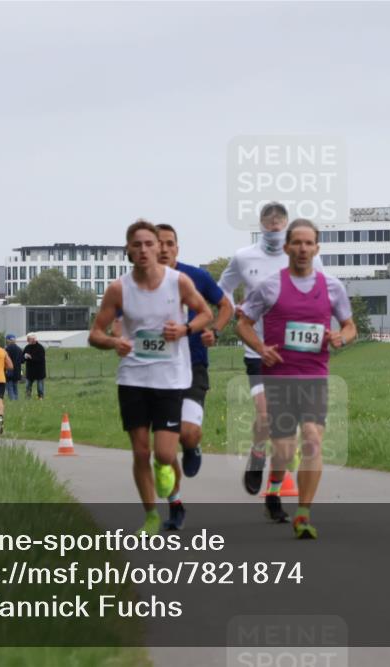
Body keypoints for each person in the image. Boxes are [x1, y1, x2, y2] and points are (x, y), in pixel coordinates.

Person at [89, 219, 212, 535]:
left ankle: (173, 493)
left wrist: (185, 329)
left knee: (166, 454)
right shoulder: (119, 289)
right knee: (141, 451)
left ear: (159, 248)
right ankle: (152, 515)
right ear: (128, 251)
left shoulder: (179, 282)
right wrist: (115, 341)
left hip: (170, 379)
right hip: (133, 378)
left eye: (149, 244)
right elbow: (94, 334)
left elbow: (205, 314)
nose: (143, 250)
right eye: (136, 245)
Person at [236, 218, 356, 538]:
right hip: (279, 377)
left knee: (314, 441)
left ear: (317, 249)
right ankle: (274, 490)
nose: (303, 249)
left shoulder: (332, 287)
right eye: (297, 243)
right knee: (285, 452)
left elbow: (350, 326)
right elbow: (243, 324)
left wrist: (340, 338)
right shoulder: (270, 286)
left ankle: (303, 514)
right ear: (287, 247)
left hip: (315, 377)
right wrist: (260, 348)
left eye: (309, 243)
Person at [219, 202, 325, 495]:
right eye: (270, 224)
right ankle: (256, 453)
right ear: (261, 226)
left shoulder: (308, 258)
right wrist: (235, 308)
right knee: (265, 419)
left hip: (294, 352)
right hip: (258, 349)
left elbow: (321, 293)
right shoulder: (244, 257)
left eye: (280, 224)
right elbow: (222, 288)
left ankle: (276, 484)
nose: (275, 229)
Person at [153, 223, 234, 530]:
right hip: (155, 374)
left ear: (177, 248)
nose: (163, 249)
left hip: (192, 367)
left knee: (188, 433)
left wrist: (213, 331)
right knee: (163, 448)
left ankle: (193, 446)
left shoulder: (196, 278)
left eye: (169, 243)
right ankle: (175, 506)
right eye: (157, 243)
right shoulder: (137, 284)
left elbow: (225, 306)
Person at [23, 334, 46, 399]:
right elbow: (23, 356)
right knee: (28, 386)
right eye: (27, 340)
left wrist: (31, 357)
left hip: (39, 371)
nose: (27, 341)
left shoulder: (40, 348)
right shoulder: (27, 347)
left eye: (29, 339)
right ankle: (28, 397)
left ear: (33, 340)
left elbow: (40, 359)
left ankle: (40, 397)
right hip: (30, 371)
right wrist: (25, 356)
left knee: (40, 387)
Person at [4, 334, 23, 400]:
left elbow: (4, 360)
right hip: (17, 371)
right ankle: (16, 399)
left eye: (7, 340)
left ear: (8, 340)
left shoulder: (7, 349)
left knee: (10, 386)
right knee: (15, 386)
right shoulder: (19, 349)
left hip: (9, 371)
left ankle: (12, 400)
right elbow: (23, 361)